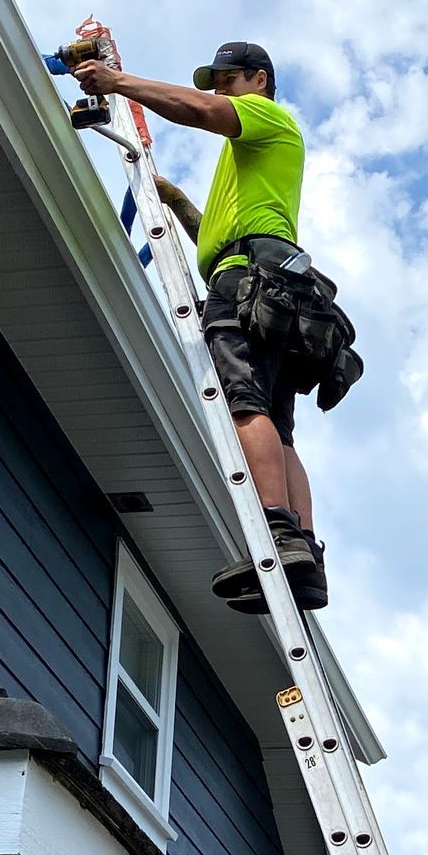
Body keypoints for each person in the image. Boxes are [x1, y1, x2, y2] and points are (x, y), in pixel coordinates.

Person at [66, 40, 328, 612]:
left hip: (248, 283)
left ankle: (278, 534)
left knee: (244, 402)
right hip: (274, 282)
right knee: (279, 428)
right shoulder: (253, 162)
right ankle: (304, 554)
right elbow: (220, 237)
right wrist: (180, 202)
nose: (218, 91)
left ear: (258, 80)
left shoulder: (265, 115)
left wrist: (117, 81)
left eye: (228, 80)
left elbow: (196, 111)